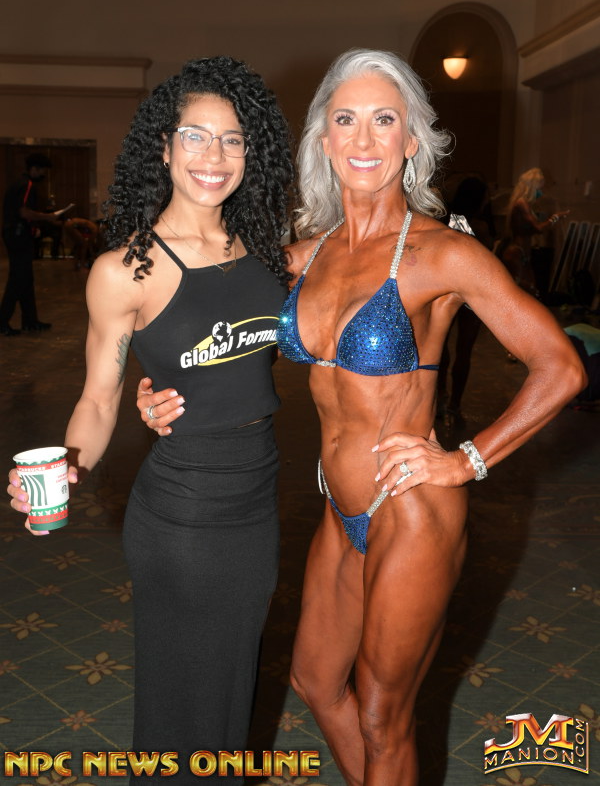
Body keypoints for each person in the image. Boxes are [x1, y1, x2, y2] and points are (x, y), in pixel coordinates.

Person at [132, 49, 585, 786]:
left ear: (412, 140)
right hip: (339, 510)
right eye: (346, 120)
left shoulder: (443, 254)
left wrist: (466, 460)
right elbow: (200, 328)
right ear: (323, 139)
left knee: (381, 713)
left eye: (384, 120)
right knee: (315, 680)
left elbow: (560, 367)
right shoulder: (300, 259)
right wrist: (154, 392)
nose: (364, 139)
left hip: (411, 509)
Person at [8, 57, 294, 783]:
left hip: (256, 502)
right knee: (181, 706)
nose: (214, 156)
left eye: (232, 139)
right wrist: (66, 469)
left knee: (230, 697)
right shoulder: (124, 270)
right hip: (183, 513)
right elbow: (99, 399)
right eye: (195, 136)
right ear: (163, 148)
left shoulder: (266, 251)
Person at [437, 174, 495, 426]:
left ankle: (441, 398)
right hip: (472, 296)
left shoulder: (448, 222)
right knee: (464, 351)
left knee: (440, 347)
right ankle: (455, 405)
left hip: (447, 290)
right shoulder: (480, 227)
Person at [0, 152, 61, 334]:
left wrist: (35, 228)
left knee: (26, 278)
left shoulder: (19, 184)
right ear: (34, 169)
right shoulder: (26, 185)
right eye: (42, 171)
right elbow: (24, 212)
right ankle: (2, 322)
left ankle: (30, 321)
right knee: (18, 278)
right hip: (18, 237)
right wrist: (48, 217)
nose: (43, 175)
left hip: (17, 234)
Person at [498, 167, 569, 295]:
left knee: (529, 289)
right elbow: (538, 228)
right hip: (517, 252)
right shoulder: (522, 203)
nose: (541, 192)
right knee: (524, 291)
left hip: (523, 252)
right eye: (539, 189)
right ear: (532, 187)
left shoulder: (524, 204)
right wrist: (555, 218)